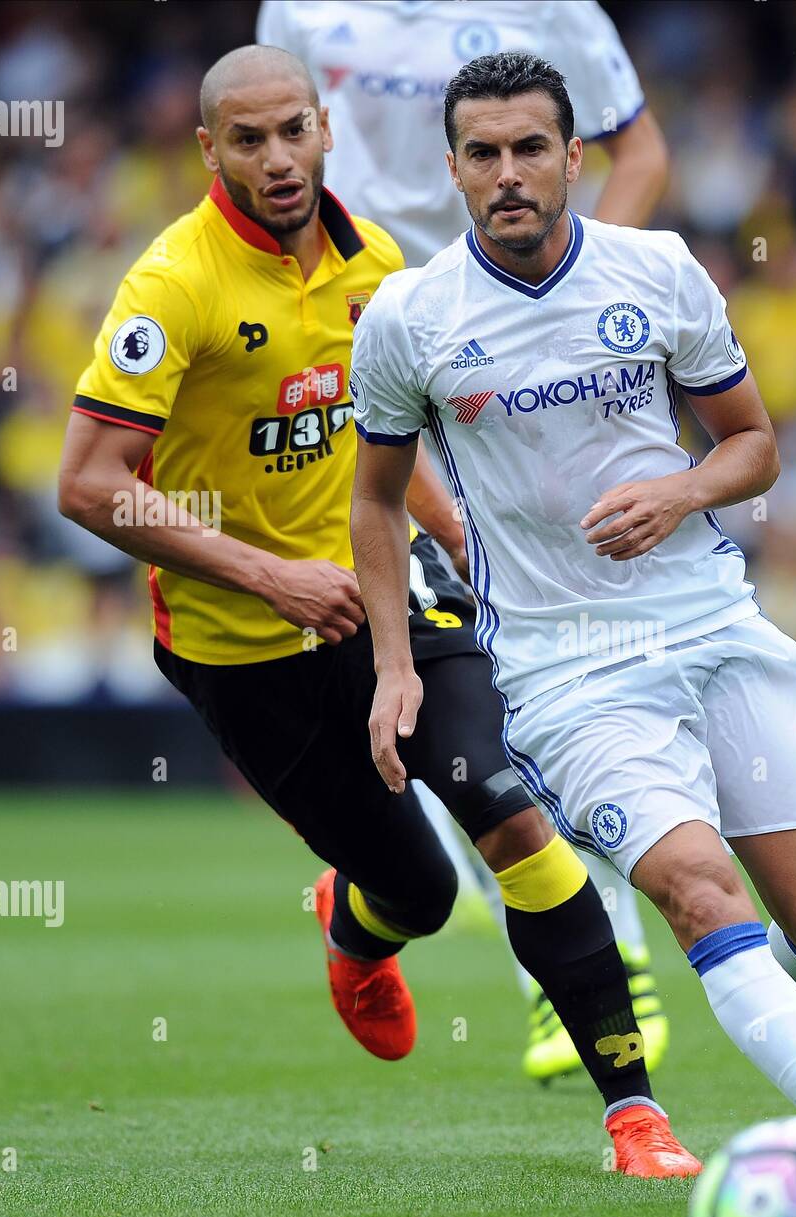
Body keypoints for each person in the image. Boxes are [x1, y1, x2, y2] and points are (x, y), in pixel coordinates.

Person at [56, 44, 700, 1178]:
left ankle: (635, 1116)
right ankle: (356, 925)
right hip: (244, 645)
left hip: (386, 599)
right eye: (246, 140)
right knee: (421, 888)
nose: (276, 158)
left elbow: (385, 453)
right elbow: (89, 482)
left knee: (509, 815)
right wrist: (269, 573)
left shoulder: (384, 266)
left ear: (325, 129)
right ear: (210, 150)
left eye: (292, 130)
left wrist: (462, 538)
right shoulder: (173, 284)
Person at [349, 51, 796, 1205]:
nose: (509, 174)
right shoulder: (410, 318)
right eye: (484, 154)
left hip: (713, 626)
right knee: (695, 888)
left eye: (532, 149)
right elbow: (374, 502)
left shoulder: (661, 272)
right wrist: (392, 665)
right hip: (566, 670)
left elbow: (754, 443)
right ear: (453, 170)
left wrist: (679, 492)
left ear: (575, 158)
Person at [258, 0, 674, 1085]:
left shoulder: (553, 15)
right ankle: (583, 963)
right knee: (495, 665)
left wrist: (582, 298)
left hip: (529, 347)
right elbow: (279, 146)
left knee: (544, 652)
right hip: (382, 337)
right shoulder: (302, 9)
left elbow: (641, 151)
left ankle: (397, 897)